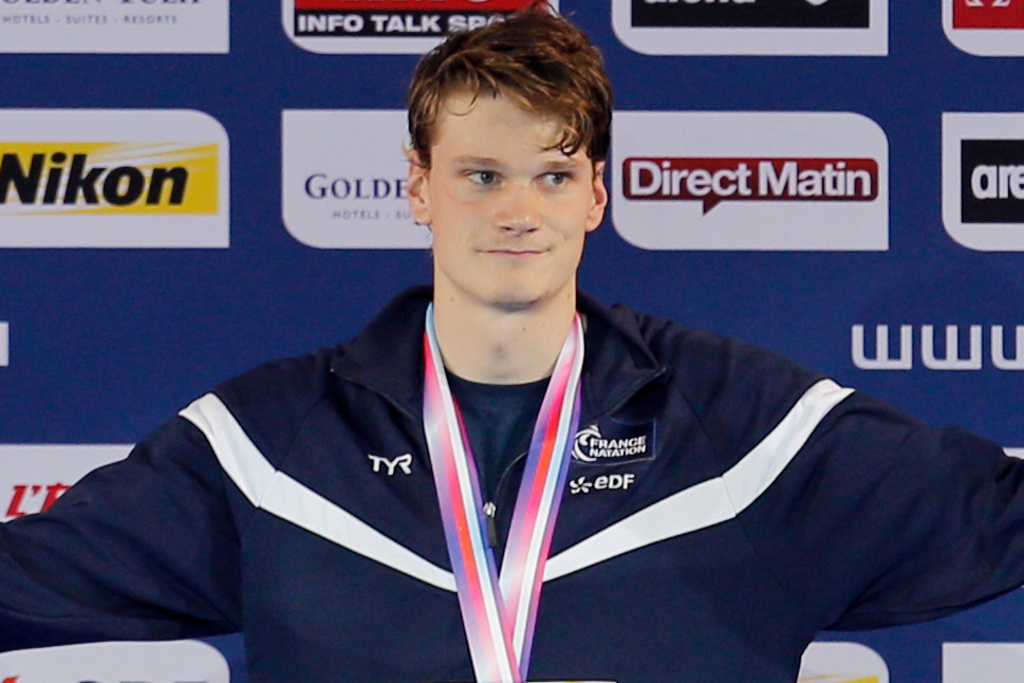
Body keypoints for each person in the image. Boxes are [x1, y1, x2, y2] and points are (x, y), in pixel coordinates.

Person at [2, 4, 1024, 683]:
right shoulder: (266, 447)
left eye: (552, 173)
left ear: (597, 194)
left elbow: (1000, 516)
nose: (516, 210)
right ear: (418, 187)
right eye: (480, 174)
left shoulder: (747, 428)